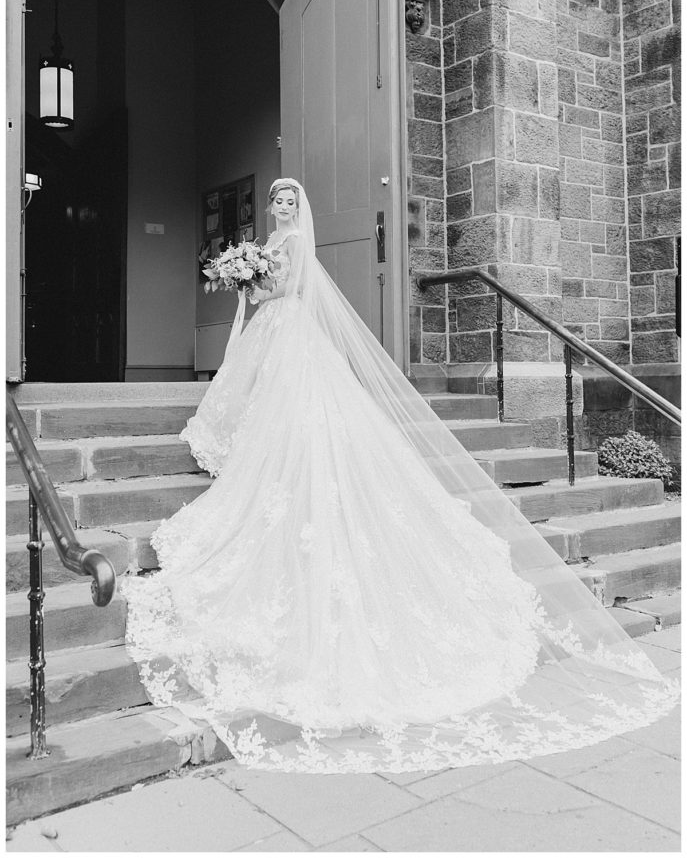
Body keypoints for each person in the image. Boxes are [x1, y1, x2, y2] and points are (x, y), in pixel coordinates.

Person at [122, 178, 678, 774]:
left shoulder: (293, 245)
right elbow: (267, 288)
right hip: (274, 333)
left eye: (289, 202)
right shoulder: (270, 239)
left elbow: (285, 289)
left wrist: (252, 282)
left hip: (287, 332)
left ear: (297, 208)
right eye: (277, 202)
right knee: (267, 402)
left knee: (290, 408)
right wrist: (247, 277)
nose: (282, 208)